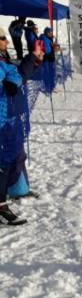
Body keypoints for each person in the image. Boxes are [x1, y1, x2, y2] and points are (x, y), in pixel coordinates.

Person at [0, 27, 44, 225]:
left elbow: (16, 73)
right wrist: (16, 77)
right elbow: (12, 78)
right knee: (2, 164)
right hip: (2, 121)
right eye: (2, 38)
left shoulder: (4, 59)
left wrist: (33, 58)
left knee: (14, 157)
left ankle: (17, 189)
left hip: (10, 119)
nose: (6, 42)